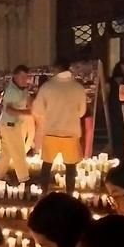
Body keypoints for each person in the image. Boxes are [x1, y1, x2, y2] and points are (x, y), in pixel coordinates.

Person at [33, 59, 87, 195]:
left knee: (46, 165)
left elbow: (38, 109)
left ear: (56, 70)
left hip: (51, 131)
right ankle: (69, 194)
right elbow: (82, 112)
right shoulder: (78, 87)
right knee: (70, 167)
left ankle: (44, 193)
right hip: (71, 132)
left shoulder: (47, 87)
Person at [0, 65, 33, 186]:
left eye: (26, 77)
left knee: (6, 154)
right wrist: (27, 113)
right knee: (18, 152)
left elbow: (28, 98)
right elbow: (9, 110)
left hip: (13, 125)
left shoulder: (22, 88)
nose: (24, 79)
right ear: (15, 76)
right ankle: (24, 179)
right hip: (10, 126)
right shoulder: (11, 91)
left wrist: (32, 106)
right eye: (22, 77)